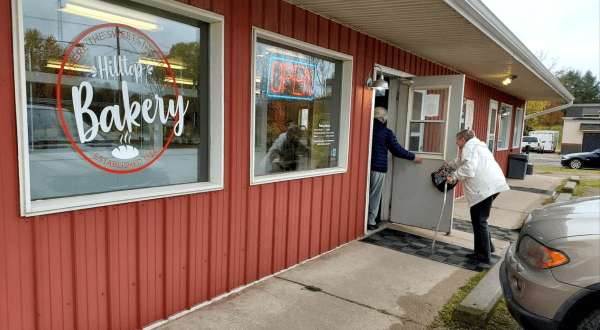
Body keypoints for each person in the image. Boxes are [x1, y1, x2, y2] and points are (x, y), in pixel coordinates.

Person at [444, 129, 510, 264]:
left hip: (485, 188)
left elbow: (469, 168)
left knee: (479, 219)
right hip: (493, 185)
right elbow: (464, 162)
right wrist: (450, 164)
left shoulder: (470, 147)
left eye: (457, 140)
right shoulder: (477, 146)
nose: (456, 143)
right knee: (480, 218)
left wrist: (454, 176)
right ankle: (487, 248)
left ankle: (483, 255)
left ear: (463, 139)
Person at [368, 107, 423, 231]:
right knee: (374, 195)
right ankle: (370, 221)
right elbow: (397, 150)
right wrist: (413, 156)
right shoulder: (386, 132)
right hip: (377, 168)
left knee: (362, 195)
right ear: (383, 119)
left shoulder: (366, 128)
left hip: (362, 167)